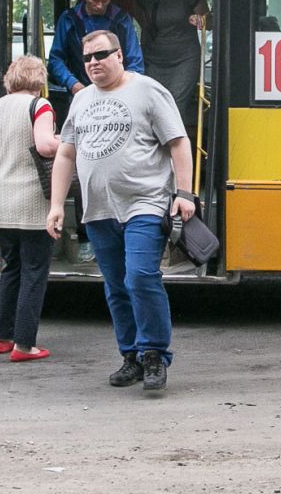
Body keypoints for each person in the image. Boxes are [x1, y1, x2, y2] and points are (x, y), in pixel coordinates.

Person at [46, 29, 194, 392]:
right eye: (87, 58)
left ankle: (155, 354)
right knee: (115, 286)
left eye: (101, 55)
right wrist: (55, 206)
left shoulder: (147, 90)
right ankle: (132, 356)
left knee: (140, 277)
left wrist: (185, 193)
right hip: (98, 210)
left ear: (120, 55)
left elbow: (178, 142)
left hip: (144, 203)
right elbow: (66, 153)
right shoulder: (81, 100)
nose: (93, 63)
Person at [0, 55, 59, 362]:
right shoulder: (39, 106)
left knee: (10, 269)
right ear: (38, 81)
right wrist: (68, 143)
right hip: (29, 198)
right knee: (34, 272)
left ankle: (4, 337)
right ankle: (25, 345)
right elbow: (44, 146)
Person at [133, 0, 209, 128]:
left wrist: (200, 20)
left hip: (184, 58)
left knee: (174, 105)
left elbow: (209, 19)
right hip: (154, 58)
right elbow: (144, 25)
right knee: (151, 107)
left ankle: (175, 153)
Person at [49, 0, 145, 93]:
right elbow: (56, 59)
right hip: (79, 88)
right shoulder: (69, 19)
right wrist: (72, 84)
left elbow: (135, 62)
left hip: (118, 90)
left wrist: (124, 86)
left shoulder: (122, 19)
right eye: (94, 0)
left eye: (105, 1)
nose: (99, 6)